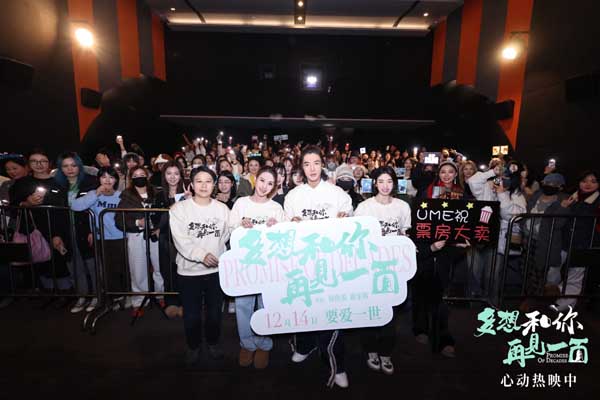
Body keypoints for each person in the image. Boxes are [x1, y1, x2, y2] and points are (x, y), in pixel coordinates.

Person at [284, 145, 353, 388]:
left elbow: (350, 220)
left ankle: (338, 364)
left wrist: (345, 218)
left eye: (316, 163)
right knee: (303, 305)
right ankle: (305, 345)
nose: (312, 168)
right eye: (306, 164)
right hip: (303, 262)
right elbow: (285, 230)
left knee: (331, 312)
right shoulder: (293, 196)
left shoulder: (337, 193)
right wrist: (291, 223)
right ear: (301, 168)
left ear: (322, 164)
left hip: (332, 262)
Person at [169, 166, 231, 364]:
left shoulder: (222, 209)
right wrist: (202, 255)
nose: (204, 186)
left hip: (216, 271)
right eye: (199, 181)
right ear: (192, 184)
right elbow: (180, 240)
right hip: (188, 272)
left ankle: (213, 342)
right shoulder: (179, 209)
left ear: (214, 185)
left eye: (208, 181)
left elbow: (227, 234)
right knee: (191, 315)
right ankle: (193, 345)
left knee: (214, 313)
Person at [354, 167, 411, 375]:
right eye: (381, 181)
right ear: (374, 183)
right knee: (370, 311)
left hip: (394, 268)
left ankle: (386, 353)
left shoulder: (403, 206)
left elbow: (405, 234)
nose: (385, 186)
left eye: (389, 181)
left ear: (394, 183)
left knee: (390, 312)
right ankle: (370, 351)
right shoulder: (364, 207)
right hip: (370, 267)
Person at [229, 166, 286, 369]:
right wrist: (240, 225)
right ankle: (247, 343)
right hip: (244, 263)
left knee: (265, 305)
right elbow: (229, 229)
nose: (264, 186)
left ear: (274, 187)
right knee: (243, 305)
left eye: (270, 183)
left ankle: (264, 343)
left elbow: (285, 237)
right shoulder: (241, 203)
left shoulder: (276, 208)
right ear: (256, 180)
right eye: (262, 180)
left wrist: (276, 227)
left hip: (268, 265)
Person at [412, 160, 468, 358]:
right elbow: (417, 219)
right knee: (421, 291)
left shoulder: (462, 194)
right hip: (427, 248)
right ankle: (420, 329)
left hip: (448, 250)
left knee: (441, 296)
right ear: (438, 173)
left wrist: (463, 240)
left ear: (455, 174)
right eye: (443, 171)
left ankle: (443, 339)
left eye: (450, 172)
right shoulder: (426, 192)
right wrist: (428, 246)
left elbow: (467, 220)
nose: (446, 175)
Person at [10, 149, 72, 293]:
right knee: (39, 263)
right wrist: (27, 203)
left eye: (43, 161)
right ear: (29, 164)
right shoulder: (21, 183)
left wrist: (58, 234)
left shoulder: (59, 184)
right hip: (32, 230)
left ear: (49, 163)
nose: (39, 164)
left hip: (55, 228)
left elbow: (63, 210)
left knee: (59, 263)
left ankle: (65, 293)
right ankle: (47, 292)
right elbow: (12, 207)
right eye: (34, 161)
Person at [71, 167, 126, 310]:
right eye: (104, 177)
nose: (107, 180)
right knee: (105, 270)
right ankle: (112, 297)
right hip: (100, 237)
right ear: (99, 179)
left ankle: (121, 296)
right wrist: (96, 193)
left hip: (119, 237)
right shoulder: (93, 194)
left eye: (111, 177)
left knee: (119, 268)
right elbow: (75, 206)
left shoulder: (121, 195)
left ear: (116, 180)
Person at [115, 166, 166, 317]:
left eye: (142, 174)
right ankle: (139, 301)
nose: (139, 177)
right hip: (136, 236)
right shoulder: (126, 196)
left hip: (155, 234)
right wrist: (137, 222)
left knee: (159, 266)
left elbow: (165, 213)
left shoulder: (157, 192)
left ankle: (161, 295)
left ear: (147, 176)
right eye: (136, 175)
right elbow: (119, 220)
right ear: (131, 178)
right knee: (138, 269)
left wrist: (159, 227)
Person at [547, 171, 600, 312]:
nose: (588, 184)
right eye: (584, 181)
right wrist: (563, 207)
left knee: (575, 276)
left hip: (585, 244)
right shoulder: (572, 197)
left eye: (593, 181)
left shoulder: (597, 201)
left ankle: (563, 304)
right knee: (553, 270)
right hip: (564, 241)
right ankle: (551, 294)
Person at [54, 152, 99, 313]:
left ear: (79, 166)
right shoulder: (57, 185)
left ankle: (97, 295)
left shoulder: (91, 182)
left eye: (73, 165)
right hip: (66, 230)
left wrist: (94, 229)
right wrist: (56, 235)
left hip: (86, 230)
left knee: (92, 264)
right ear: (60, 168)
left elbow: (97, 207)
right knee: (73, 264)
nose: (70, 169)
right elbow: (54, 213)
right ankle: (82, 296)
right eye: (65, 166)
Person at [157, 161, 190, 318]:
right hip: (165, 237)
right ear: (164, 175)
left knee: (183, 270)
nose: (172, 177)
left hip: (183, 238)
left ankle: (185, 303)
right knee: (167, 270)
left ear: (181, 175)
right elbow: (157, 219)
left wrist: (190, 201)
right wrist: (174, 206)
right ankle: (171, 302)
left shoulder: (187, 193)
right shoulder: (159, 195)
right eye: (169, 173)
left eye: (176, 173)